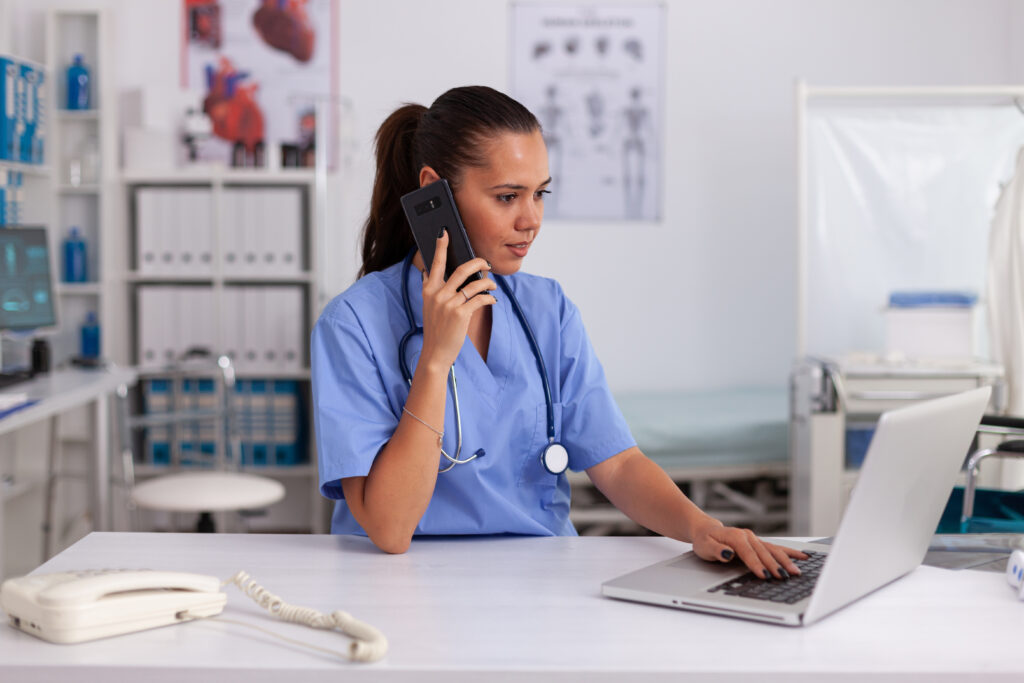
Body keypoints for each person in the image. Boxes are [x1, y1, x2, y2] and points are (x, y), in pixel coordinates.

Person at [311, 85, 805, 581]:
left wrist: (700, 527)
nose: (531, 220)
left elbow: (616, 464)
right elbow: (391, 530)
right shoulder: (352, 325)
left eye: (539, 193)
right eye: (507, 197)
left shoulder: (547, 309)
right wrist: (436, 361)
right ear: (433, 192)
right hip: (401, 590)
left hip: (539, 583)